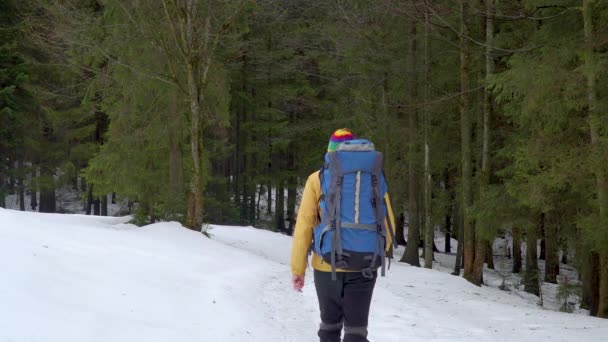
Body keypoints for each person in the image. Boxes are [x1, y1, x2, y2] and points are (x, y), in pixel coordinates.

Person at [290, 128, 396, 342]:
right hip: (364, 264)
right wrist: (378, 252)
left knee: (329, 328)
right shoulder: (373, 175)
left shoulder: (317, 178)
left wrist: (298, 269)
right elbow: (388, 221)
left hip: (326, 265)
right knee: (357, 332)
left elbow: (304, 225)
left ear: (331, 154)